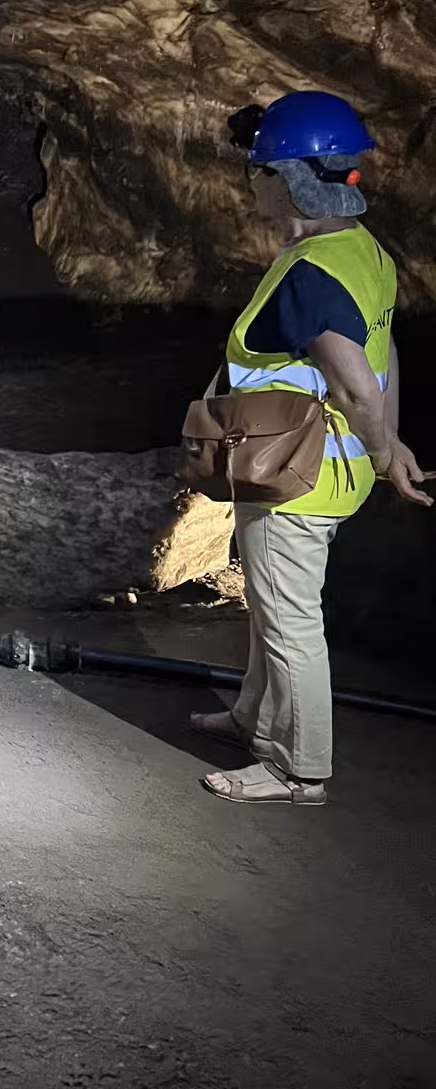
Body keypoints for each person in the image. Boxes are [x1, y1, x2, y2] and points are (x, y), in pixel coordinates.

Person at [193, 90, 429, 806]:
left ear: (292, 178)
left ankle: (298, 769)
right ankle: (251, 720)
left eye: (261, 170)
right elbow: (385, 359)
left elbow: (356, 384)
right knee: (272, 606)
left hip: (297, 475)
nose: (252, 181)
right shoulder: (362, 254)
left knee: (291, 619)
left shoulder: (311, 275)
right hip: (326, 466)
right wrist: (392, 443)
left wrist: (389, 454)